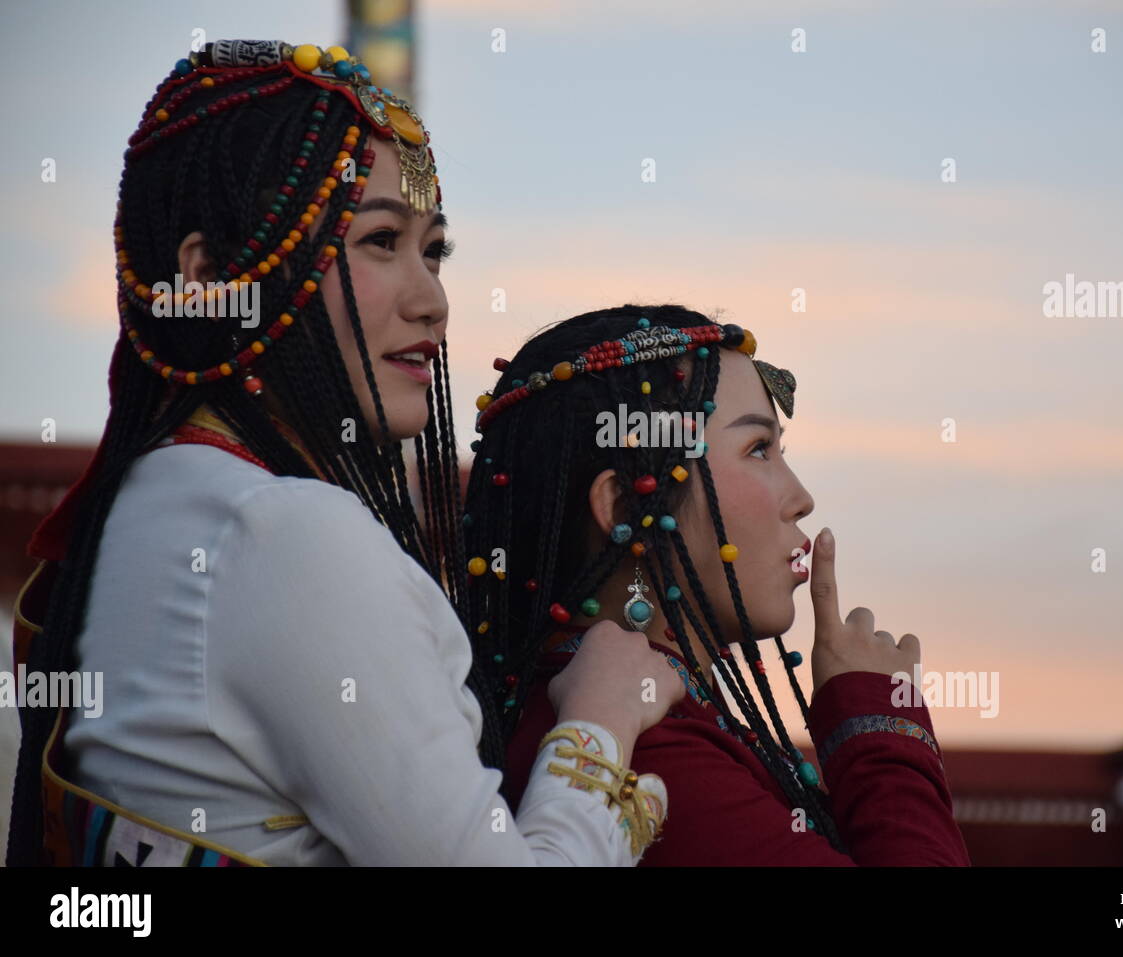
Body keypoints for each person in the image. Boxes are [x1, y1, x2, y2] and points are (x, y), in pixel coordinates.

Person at [7, 40, 681, 867]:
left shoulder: (158, 496)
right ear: (217, 275)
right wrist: (600, 725)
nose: (432, 299)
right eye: (378, 241)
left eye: (433, 250)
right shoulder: (284, 532)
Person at [462, 304, 971, 865]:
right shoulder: (648, 753)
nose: (801, 497)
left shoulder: (627, 714)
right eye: (758, 449)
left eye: (781, 452)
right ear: (627, 507)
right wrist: (881, 729)